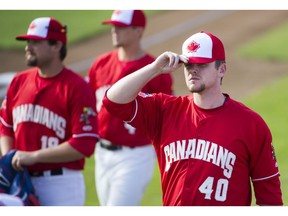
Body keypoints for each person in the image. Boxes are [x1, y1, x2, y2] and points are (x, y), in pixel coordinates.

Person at [102, 31, 283, 206]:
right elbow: (113, 100)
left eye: (202, 65)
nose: (193, 70)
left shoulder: (250, 125)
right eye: (188, 64)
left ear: (222, 69)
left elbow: (270, 199)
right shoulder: (165, 110)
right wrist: (154, 69)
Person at [0, 17, 98, 206]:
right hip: (21, 178)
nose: (28, 47)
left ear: (56, 46)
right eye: (28, 41)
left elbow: (84, 143)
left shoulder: (77, 87)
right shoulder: (18, 81)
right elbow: (5, 126)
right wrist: (10, 158)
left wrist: (33, 156)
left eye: (35, 42)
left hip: (60, 184)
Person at [87, 10, 173, 206]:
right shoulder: (100, 64)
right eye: (113, 26)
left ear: (138, 31)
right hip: (102, 153)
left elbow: (165, 115)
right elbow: (90, 106)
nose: (114, 30)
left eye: (121, 27)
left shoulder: (155, 70)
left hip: (136, 156)